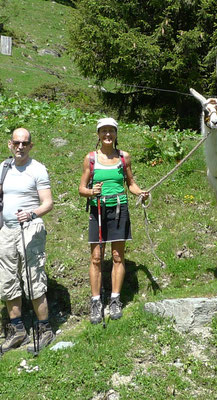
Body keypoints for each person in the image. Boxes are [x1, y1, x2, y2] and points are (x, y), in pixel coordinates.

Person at [0, 128, 55, 354]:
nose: (20, 146)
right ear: (10, 144)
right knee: (8, 278)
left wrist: (32, 214)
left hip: (31, 228)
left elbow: (48, 203)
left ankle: (44, 329)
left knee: (33, 277)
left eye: (25, 143)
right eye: (16, 142)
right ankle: (18, 330)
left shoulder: (38, 169)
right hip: (7, 230)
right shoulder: (4, 167)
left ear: (31, 146)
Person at [78, 117, 149, 324]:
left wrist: (140, 193)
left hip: (119, 209)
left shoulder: (124, 157)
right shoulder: (90, 158)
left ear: (116, 134)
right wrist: (91, 191)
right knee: (96, 258)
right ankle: (95, 302)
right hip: (97, 209)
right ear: (98, 135)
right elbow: (81, 188)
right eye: (104, 131)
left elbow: (131, 183)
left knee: (118, 256)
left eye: (111, 131)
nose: (108, 135)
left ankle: (115, 299)